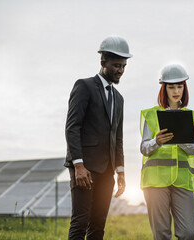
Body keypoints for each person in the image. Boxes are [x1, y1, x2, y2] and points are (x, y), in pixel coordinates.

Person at [64, 36, 132, 240]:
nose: (120, 70)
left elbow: (117, 138)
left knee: (98, 225)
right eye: (116, 65)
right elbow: (72, 127)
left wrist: (120, 171)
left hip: (108, 171)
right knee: (80, 222)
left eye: (123, 66)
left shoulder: (119, 99)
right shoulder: (84, 86)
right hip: (85, 168)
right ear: (103, 62)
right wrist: (78, 165)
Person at [140, 64, 194, 240]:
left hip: (182, 181)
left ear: (184, 88)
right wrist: (156, 142)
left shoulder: (191, 116)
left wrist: (180, 138)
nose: (176, 91)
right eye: (171, 86)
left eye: (180, 86)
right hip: (155, 181)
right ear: (164, 88)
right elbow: (144, 148)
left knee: (189, 232)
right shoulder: (151, 115)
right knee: (161, 234)